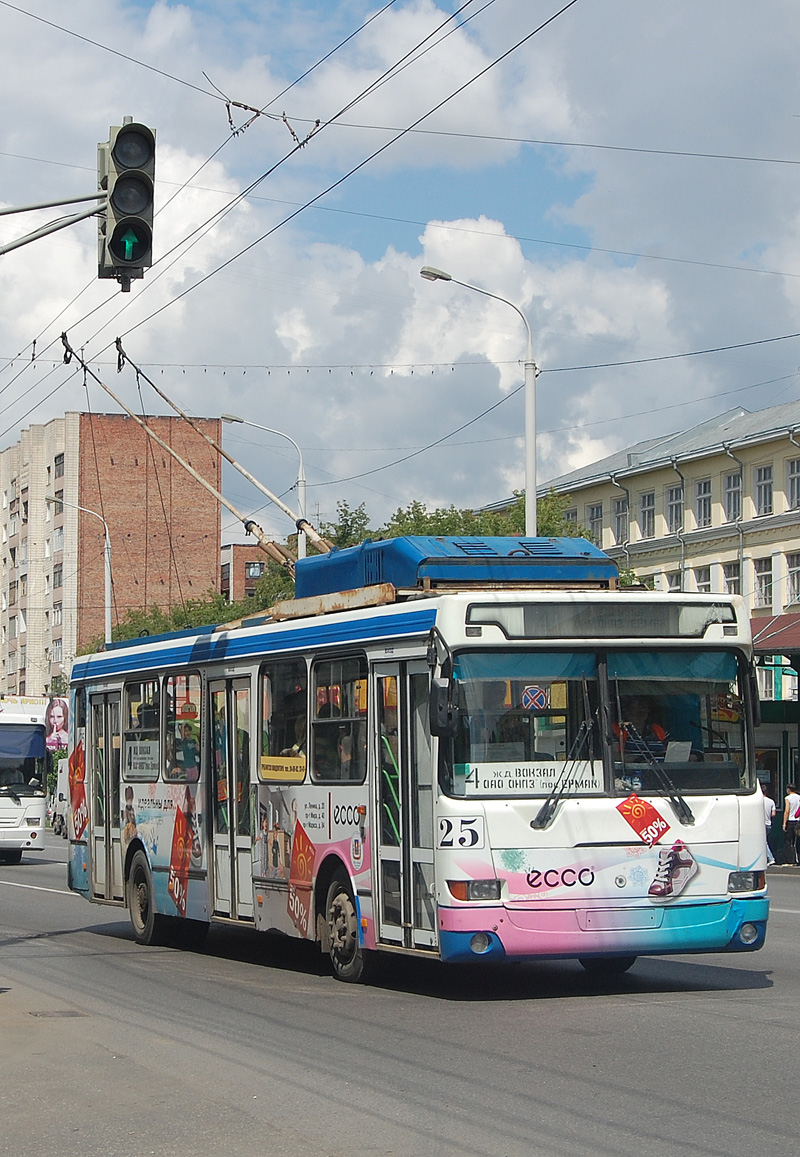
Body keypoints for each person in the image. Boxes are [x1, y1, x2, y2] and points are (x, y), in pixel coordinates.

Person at [613, 696, 668, 762]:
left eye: (643, 707)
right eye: (635, 708)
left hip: (663, 771)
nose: (641, 711)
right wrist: (638, 760)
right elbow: (613, 755)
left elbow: (674, 751)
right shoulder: (618, 731)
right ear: (626, 711)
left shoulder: (658, 731)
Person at [782, 782, 800, 866]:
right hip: (798, 821)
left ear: (788, 789)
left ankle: (790, 859)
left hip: (791, 821)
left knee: (789, 841)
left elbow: (787, 811)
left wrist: (784, 823)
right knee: (797, 841)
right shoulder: (799, 797)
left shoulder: (788, 798)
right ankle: (798, 859)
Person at [763, 788, 776, 866]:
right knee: (764, 841)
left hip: (761, 824)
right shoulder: (771, 801)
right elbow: (773, 814)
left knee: (763, 842)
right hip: (768, 823)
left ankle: (771, 858)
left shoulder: (758, 801)